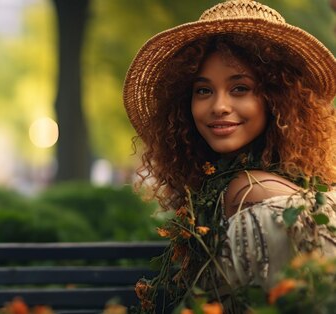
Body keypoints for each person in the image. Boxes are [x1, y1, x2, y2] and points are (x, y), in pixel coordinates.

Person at [122, 0, 336, 312]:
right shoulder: (235, 187)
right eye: (203, 91)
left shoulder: (256, 188)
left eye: (239, 88)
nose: (219, 106)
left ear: (275, 98)